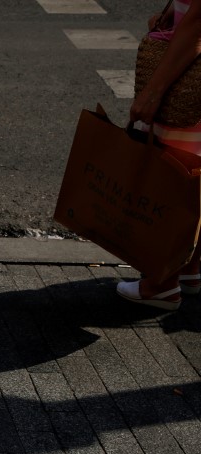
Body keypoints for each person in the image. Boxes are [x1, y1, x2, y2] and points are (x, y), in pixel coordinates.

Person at [117, 0, 201, 310]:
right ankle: (189, 267)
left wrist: (152, 92)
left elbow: (198, 23)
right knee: (194, 171)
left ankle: (161, 283)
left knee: (174, 174)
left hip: (190, 75)